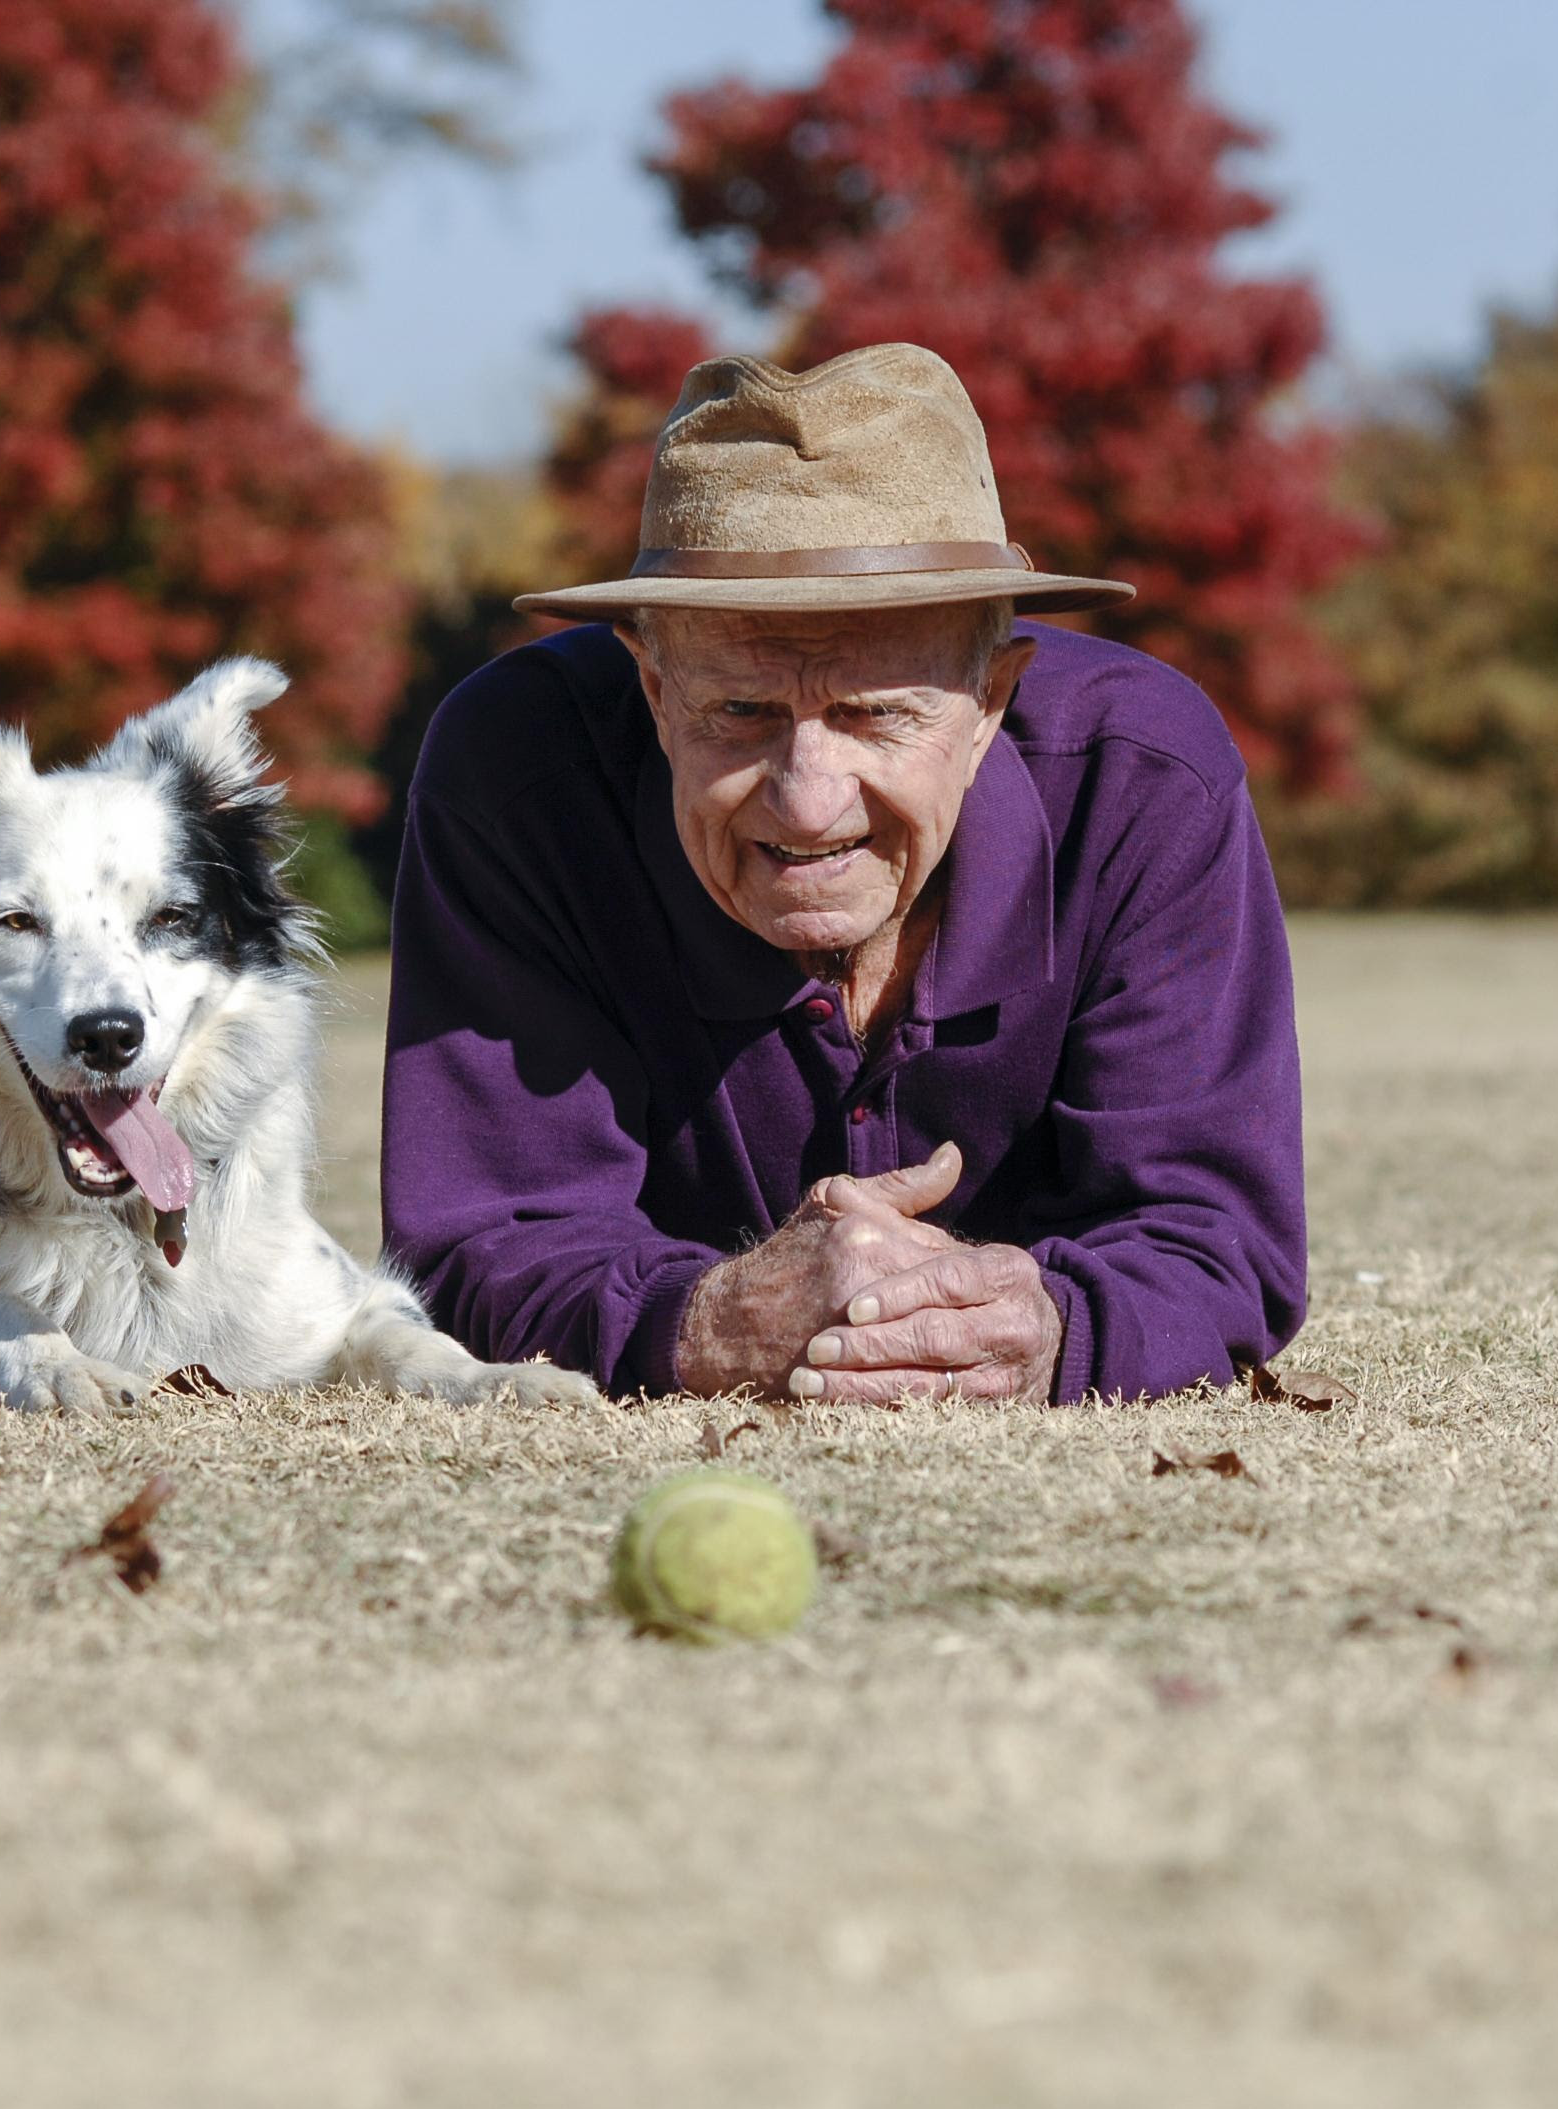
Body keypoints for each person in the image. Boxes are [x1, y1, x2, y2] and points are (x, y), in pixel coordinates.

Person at [379, 343, 1306, 1405]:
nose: (809, 797)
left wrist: (1048, 1328)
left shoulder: (1148, 779)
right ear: (653, 685)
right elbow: (481, 1245)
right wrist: (709, 1323)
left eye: (873, 714)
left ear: (988, 704)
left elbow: (1215, 1242)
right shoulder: (516, 776)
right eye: (741, 712)